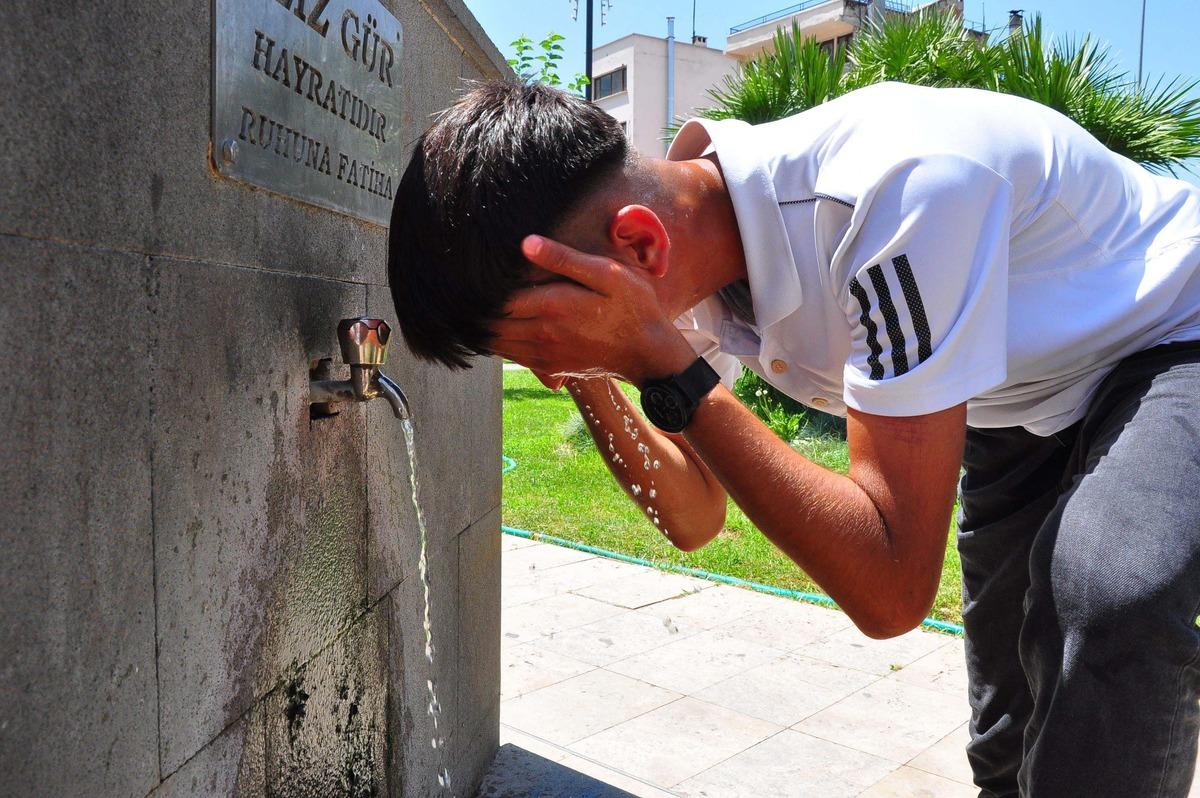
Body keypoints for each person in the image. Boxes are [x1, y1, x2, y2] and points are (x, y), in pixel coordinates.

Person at [387, 79, 1200, 797]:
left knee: (1110, 596)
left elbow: (891, 588)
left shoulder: (895, 196)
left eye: (545, 351)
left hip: (1165, 325)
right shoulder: (689, 264)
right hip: (1014, 396)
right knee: (1009, 741)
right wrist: (608, 370)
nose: (554, 378)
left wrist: (666, 367)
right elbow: (694, 514)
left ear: (638, 245)